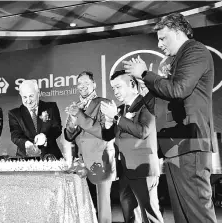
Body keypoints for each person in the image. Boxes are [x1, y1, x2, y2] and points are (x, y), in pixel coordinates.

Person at [123, 13, 217, 223]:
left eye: (163, 38)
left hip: (190, 141)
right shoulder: (177, 61)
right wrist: (144, 86)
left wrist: (146, 74)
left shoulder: (195, 51)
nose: (159, 44)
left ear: (178, 31)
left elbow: (178, 90)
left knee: (198, 212)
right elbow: (160, 107)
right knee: (182, 214)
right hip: (175, 144)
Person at [100, 70, 164, 223]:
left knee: (150, 214)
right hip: (124, 170)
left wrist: (116, 117)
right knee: (129, 214)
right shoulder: (120, 109)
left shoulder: (147, 104)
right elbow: (108, 136)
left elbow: (143, 131)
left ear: (133, 85)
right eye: (113, 88)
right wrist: (108, 124)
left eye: (118, 87)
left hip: (143, 169)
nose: (115, 91)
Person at [64, 71, 116, 223]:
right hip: (81, 162)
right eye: (80, 83)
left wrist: (79, 116)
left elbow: (103, 132)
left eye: (87, 83)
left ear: (94, 84)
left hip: (101, 159)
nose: (83, 86)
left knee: (103, 206)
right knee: (84, 204)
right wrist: (72, 123)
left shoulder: (104, 103)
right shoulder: (75, 106)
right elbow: (69, 135)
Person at [8, 79, 63, 159]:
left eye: (31, 96)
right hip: (26, 158)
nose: (28, 101)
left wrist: (45, 136)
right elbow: (15, 135)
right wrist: (26, 144)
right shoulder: (14, 114)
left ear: (38, 93)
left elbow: (57, 128)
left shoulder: (51, 107)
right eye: (24, 97)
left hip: (50, 157)